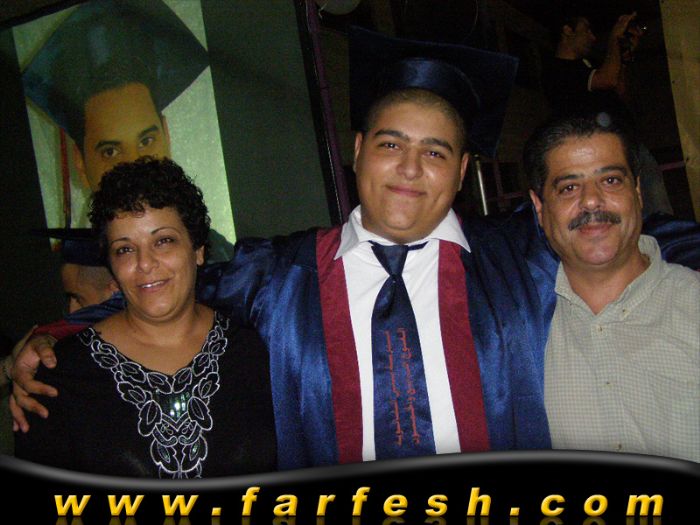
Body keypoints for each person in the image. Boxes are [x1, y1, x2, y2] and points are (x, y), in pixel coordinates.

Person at [11, 27, 700, 469]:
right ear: (360, 151)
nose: (410, 169)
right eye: (392, 144)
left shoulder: (516, 255)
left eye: (436, 152)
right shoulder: (279, 276)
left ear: (463, 171)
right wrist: (53, 336)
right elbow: (165, 287)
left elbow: (627, 230)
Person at [14, 157, 277, 477]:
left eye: (163, 241)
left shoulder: (254, 355)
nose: (145, 263)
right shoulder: (61, 376)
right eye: (125, 249)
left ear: (197, 249)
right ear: (111, 264)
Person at [525, 112, 699, 462]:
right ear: (539, 209)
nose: (591, 201)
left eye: (611, 180)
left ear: (638, 191)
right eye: (569, 187)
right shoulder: (518, 334)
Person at [21, 0, 233, 261]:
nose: (135, 167)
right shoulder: (69, 270)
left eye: (146, 141)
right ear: (81, 163)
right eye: (110, 151)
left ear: (166, 136)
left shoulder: (222, 260)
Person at [542, 9, 674, 218]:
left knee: (651, 201)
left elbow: (619, 89)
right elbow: (608, 79)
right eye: (586, 30)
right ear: (567, 31)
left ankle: (662, 236)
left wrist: (624, 57)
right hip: (599, 152)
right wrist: (614, 38)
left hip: (626, 141)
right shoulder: (557, 70)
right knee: (638, 207)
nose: (592, 37)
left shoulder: (588, 64)